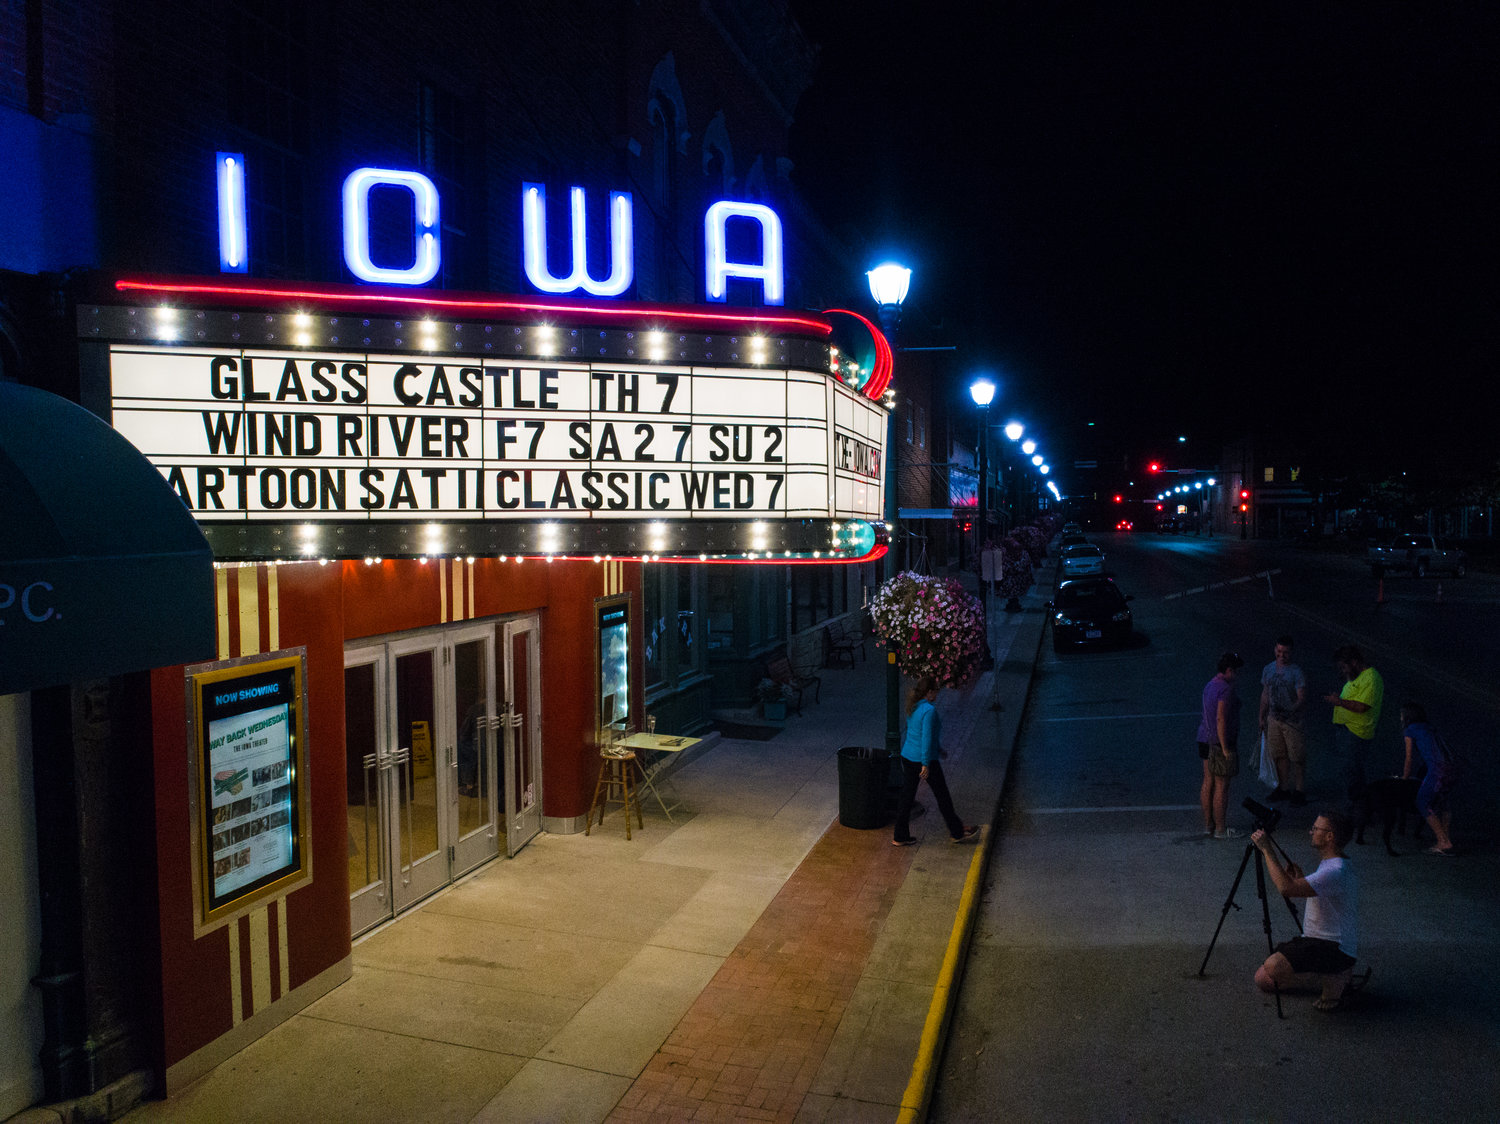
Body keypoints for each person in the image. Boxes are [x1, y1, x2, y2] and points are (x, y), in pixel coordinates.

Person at [1251, 811, 1359, 1011]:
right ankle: (1332, 977)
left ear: (1330, 836)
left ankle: (1336, 977)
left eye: (1316, 828)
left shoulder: (1335, 870)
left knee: (1270, 970)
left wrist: (1267, 850)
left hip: (1333, 947)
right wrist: (1300, 879)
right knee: (1263, 977)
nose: (1311, 832)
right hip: (1318, 940)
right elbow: (1311, 892)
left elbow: (1286, 888)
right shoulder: (1333, 864)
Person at [892, 676, 979, 847]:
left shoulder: (914, 706)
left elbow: (916, 732)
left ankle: (900, 835)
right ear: (930, 692)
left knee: (907, 797)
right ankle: (956, 832)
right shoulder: (929, 711)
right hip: (925, 760)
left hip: (908, 755)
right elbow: (926, 738)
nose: (937, 695)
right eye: (936, 692)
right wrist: (925, 763)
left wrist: (938, 749)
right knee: (942, 796)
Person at [1325, 645, 1384, 810]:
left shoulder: (1371, 678)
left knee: (1350, 771)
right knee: (1351, 770)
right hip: (1346, 731)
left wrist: (1339, 702)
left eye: (1344, 666)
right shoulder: (1356, 677)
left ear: (1355, 662)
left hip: (1356, 733)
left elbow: (1362, 707)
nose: (1343, 671)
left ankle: (1355, 806)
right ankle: (1359, 804)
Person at [1400, 702, 1457, 855]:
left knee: (1422, 801)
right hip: (1452, 767)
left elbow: (1409, 757)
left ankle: (1442, 841)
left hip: (1438, 769)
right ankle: (1446, 839)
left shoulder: (1410, 730)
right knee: (1444, 803)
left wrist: (1404, 778)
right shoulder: (1429, 727)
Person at [1198, 651, 1245, 838]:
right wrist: (1225, 747)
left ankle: (1208, 824)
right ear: (1229, 670)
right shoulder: (1225, 689)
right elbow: (1221, 717)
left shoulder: (1210, 685)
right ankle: (1221, 829)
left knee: (1208, 781)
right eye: (1237, 671)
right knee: (1222, 785)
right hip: (1219, 741)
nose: (1238, 675)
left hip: (1204, 737)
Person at [1258, 635, 1308, 805]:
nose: (1282, 655)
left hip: (1292, 722)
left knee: (1297, 756)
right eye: (1279, 651)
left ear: (1291, 653)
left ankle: (1300, 790)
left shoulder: (1296, 672)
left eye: (1285, 652)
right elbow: (1265, 694)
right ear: (1275, 650)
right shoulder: (1268, 669)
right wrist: (1261, 716)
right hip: (1274, 719)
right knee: (1279, 754)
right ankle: (1283, 787)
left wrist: (1290, 709)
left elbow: (1301, 697)